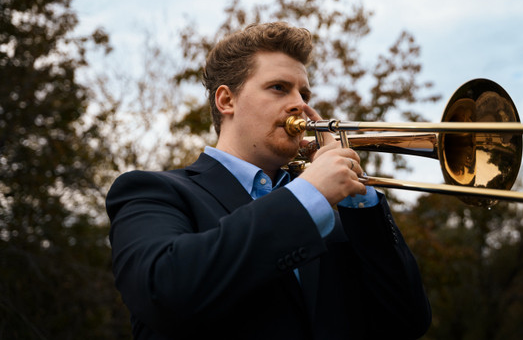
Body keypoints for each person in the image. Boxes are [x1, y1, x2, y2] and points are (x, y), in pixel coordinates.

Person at [106, 22, 431, 339]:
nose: (300, 105)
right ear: (226, 101)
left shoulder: (334, 213)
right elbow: (162, 293)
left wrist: (362, 204)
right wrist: (309, 193)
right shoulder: (151, 192)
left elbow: (407, 322)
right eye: (279, 87)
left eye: (303, 92)